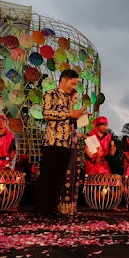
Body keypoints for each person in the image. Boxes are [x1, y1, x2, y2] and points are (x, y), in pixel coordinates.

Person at [36, 69, 84, 214]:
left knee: (59, 176)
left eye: (75, 84)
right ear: (63, 80)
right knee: (48, 175)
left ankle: (52, 207)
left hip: (66, 142)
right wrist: (69, 113)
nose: (73, 86)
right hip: (52, 141)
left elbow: (68, 119)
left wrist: (77, 117)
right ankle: (41, 208)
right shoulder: (50, 94)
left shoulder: (69, 98)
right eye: (72, 83)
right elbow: (47, 113)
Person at [58, 90, 87, 215]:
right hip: (65, 146)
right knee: (66, 175)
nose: (75, 101)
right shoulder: (64, 112)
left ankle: (71, 206)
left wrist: (82, 134)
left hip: (74, 145)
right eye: (74, 98)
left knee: (74, 174)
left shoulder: (73, 113)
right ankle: (62, 206)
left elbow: (74, 130)